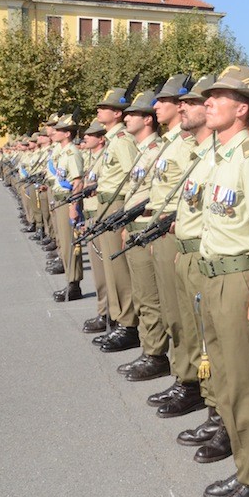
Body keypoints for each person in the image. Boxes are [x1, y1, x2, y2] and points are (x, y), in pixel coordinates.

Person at [192, 71, 249, 497]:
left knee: (246, 386)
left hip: (241, 279)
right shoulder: (222, 154)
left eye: (217, 97)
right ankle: (244, 465)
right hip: (214, 277)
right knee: (225, 382)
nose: (208, 103)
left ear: (242, 107)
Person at [168, 75, 231, 462]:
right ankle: (213, 407)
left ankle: (224, 416)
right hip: (192, 253)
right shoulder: (200, 155)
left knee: (215, 344)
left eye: (193, 103)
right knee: (200, 337)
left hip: (213, 260)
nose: (184, 108)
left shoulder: (223, 156)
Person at [145, 75, 205, 417]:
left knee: (188, 318)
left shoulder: (188, 148)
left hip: (188, 237)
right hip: (172, 232)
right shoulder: (174, 144)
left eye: (164, 100)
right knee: (175, 312)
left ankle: (193, 381)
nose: (159, 106)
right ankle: (185, 376)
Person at [118, 89, 171, 381]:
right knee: (142, 294)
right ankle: (150, 349)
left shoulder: (156, 151)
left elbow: (156, 196)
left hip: (149, 228)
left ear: (148, 120)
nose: (126, 117)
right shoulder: (143, 152)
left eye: (133, 113)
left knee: (151, 298)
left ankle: (155, 354)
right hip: (137, 227)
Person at [93, 86, 141, 353]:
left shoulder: (123, 141)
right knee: (110, 268)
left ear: (117, 112)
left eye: (104, 107)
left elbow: (134, 177)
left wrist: (125, 213)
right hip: (106, 203)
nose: (99, 110)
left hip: (117, 205)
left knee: (118, 268)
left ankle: (128, 324)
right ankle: (117, 317)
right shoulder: (114, 139)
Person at [49, 112, 85, 302]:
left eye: (60, 130)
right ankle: (69, 281)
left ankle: (74, 285)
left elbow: (78, 181)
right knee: (64, 243)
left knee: (72, 244)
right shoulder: (63, 152)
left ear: (68, 134)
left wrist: (74, 206)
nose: (55, 132)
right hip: (60, 199)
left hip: (68, 201)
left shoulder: (72, 153)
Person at [79, 119, 111, 333]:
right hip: (92, 214)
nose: (85, 138)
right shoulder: (93, 158)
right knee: (99, 273)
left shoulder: (105, 156)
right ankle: (104, 311)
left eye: (90, 135)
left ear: (100, 139)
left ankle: (109, 314)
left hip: (101, 214)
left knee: (106, 272)